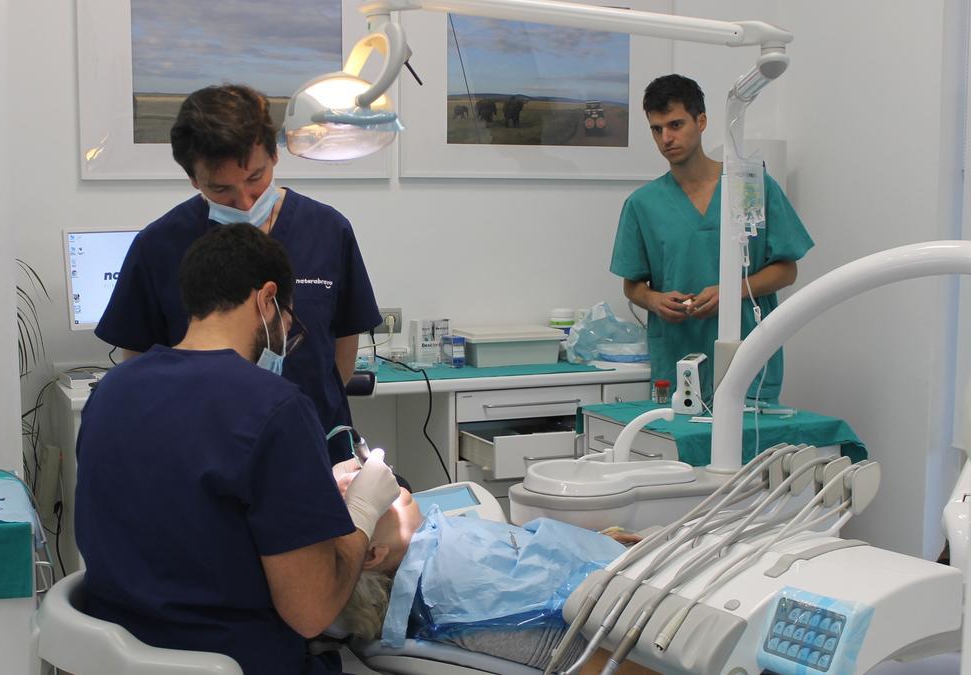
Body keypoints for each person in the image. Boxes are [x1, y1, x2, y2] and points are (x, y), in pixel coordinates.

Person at [75, 224, 402, 675]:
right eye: (290, 319)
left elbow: (188, 513)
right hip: (234, 661)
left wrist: (301, 496)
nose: (288, 333)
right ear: (268, 298)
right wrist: (364, 509)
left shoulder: (109, 391)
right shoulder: (275, 406)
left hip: (115, 654)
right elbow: (311, 612)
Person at [95, 84, 382, 464]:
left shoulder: (327, 231)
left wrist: (304, 411)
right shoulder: (159, 246)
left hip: (314, 445)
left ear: (275, 154)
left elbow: (345, 343)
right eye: (222, 189)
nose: (245, 202)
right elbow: (138, 361)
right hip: (203, 453)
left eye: (255, 179)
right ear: (194, 179)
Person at [611, 74, 813, 403]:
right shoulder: (642, 205)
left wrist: (731, 294)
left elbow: (787, 270)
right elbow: (632, 285)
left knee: (748, 449)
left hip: (748, 357)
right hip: (679, 362)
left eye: (676, 125)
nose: (666, 138)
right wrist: (654, 301)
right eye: (656, 129)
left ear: (701, 121)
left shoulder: (751, 187)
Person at [333, 476, 652, 673]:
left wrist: (598, 545)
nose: (354, 478)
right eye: (350, 497)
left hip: (630, 569)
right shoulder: (453, 599)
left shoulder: (435, 544)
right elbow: (588, 660)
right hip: (648, 620)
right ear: (374, 555)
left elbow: (536, 552)